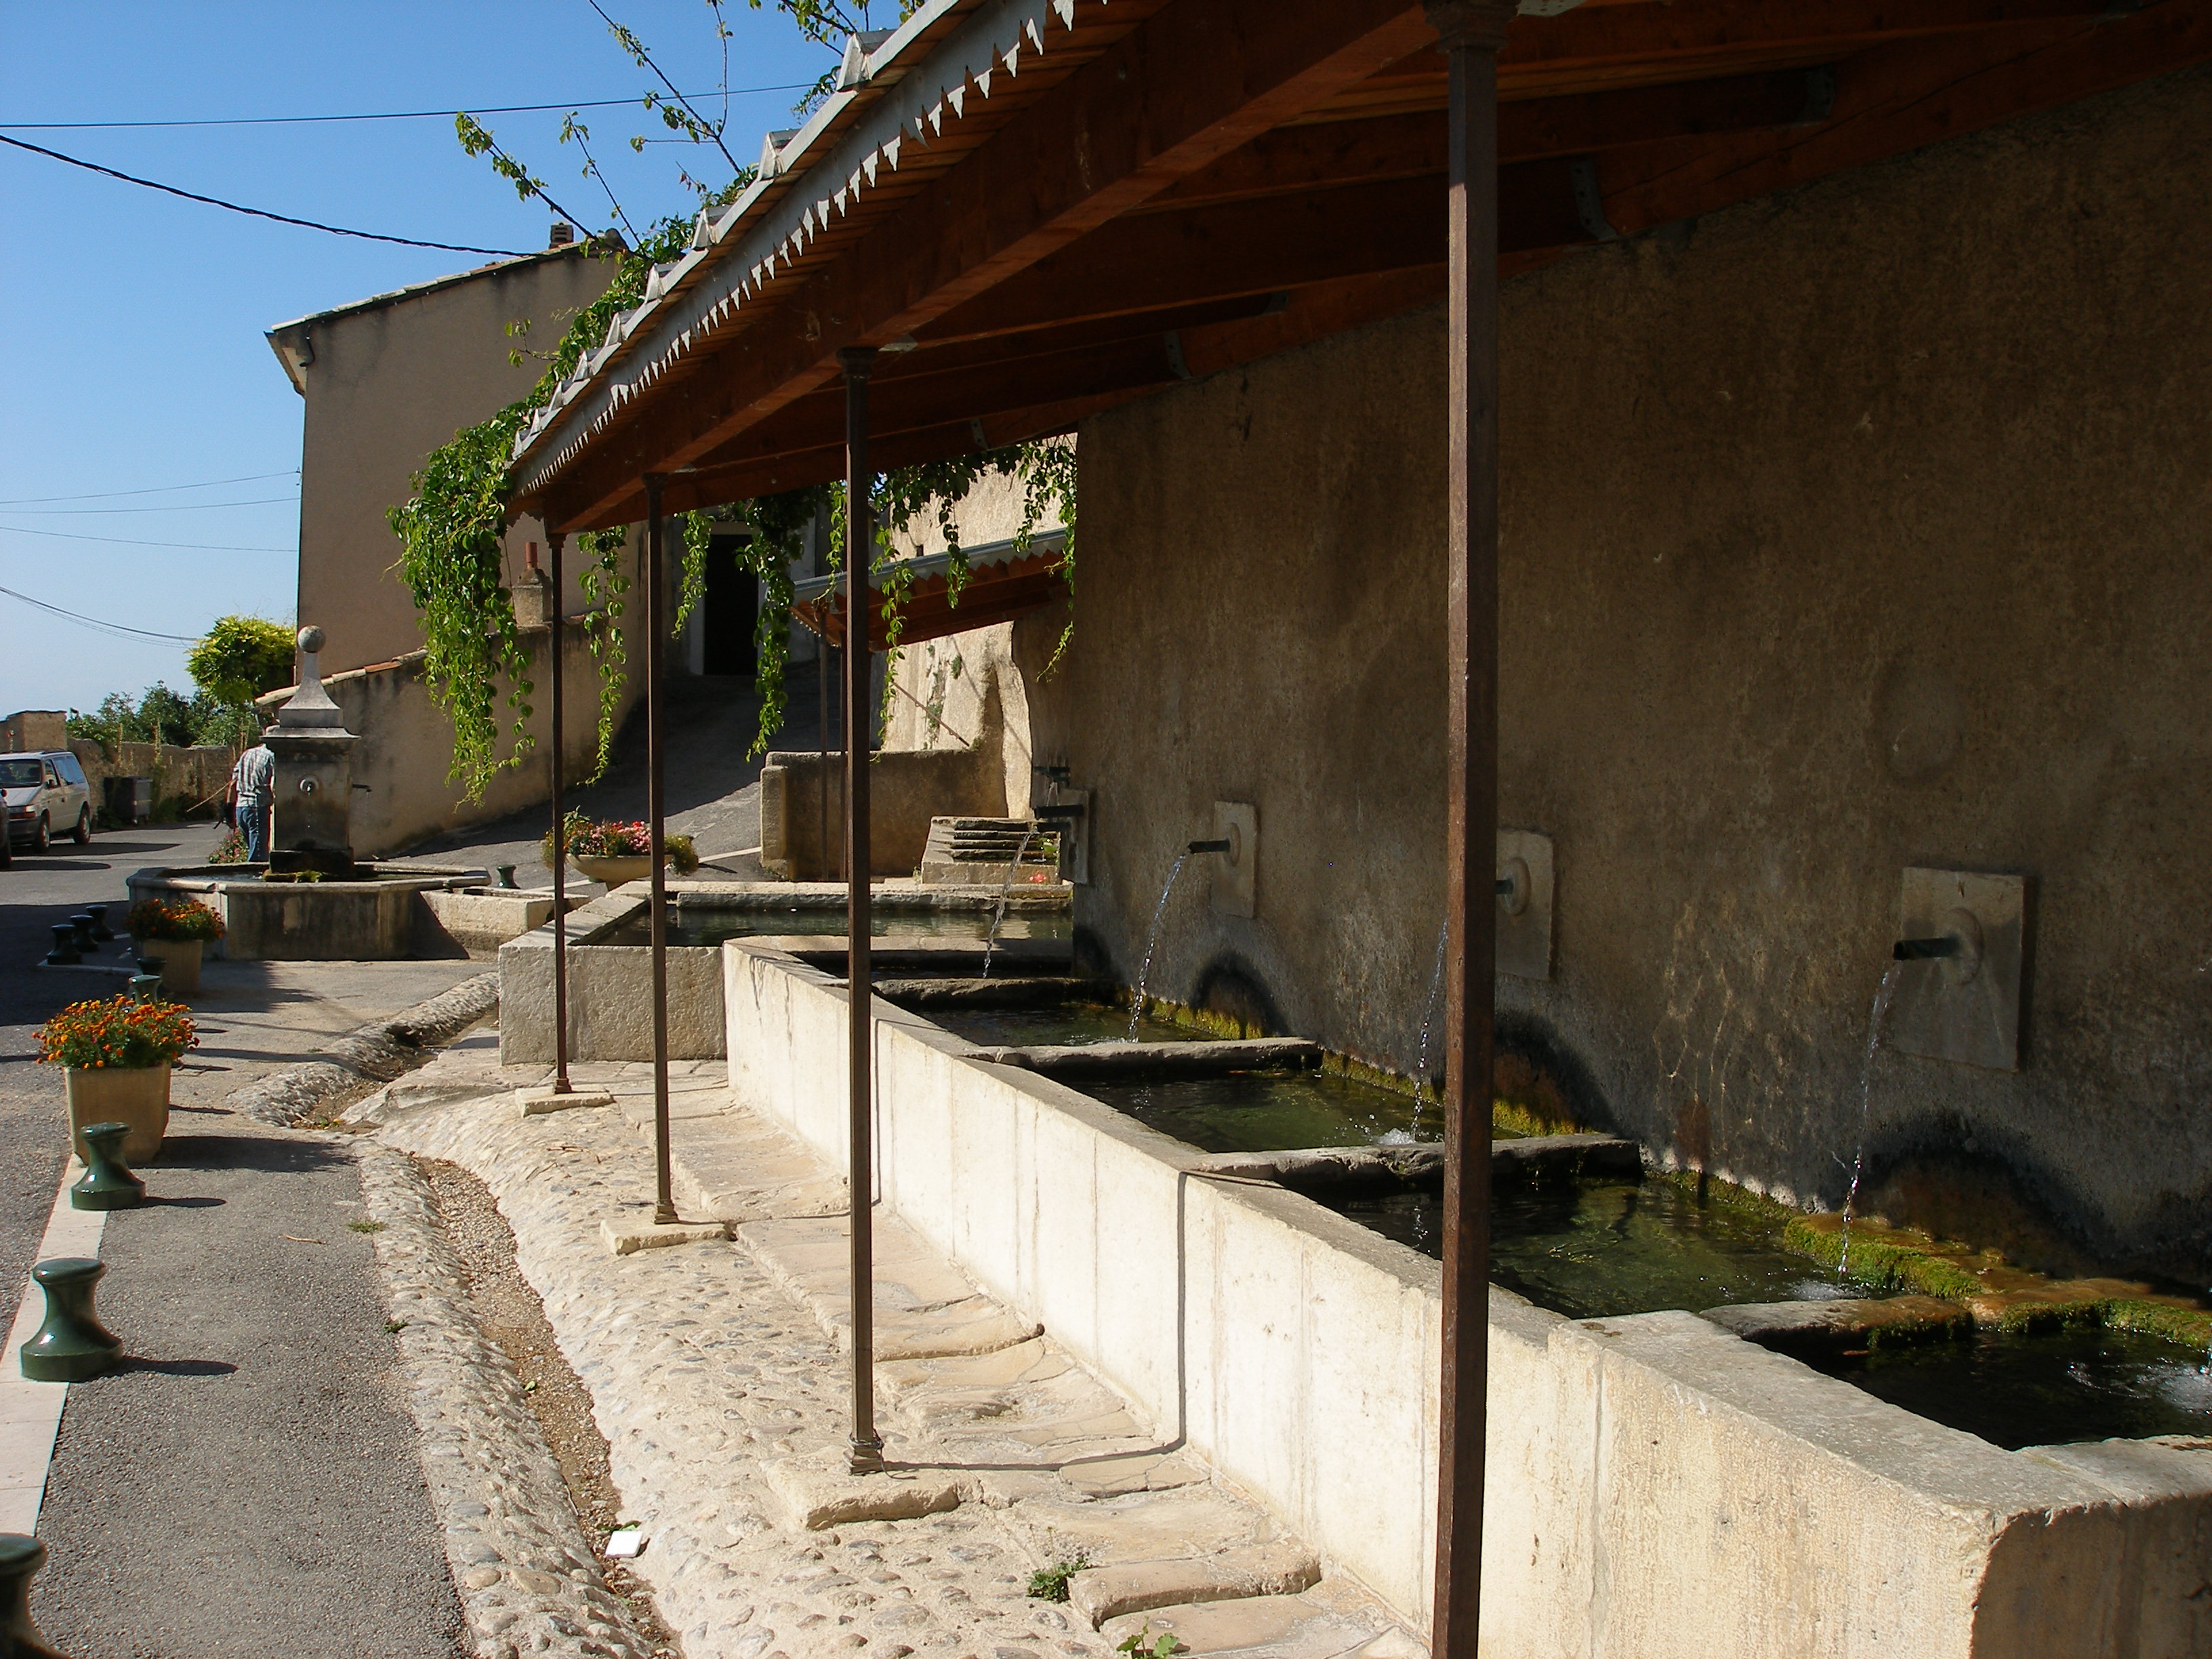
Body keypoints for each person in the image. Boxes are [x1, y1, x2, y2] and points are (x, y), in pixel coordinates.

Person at [230, 740, 274, 863]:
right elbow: (275, 785)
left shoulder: (247, 754)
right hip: (257, 807)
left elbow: (233, 783)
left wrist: (228, 809)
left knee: (253, 849)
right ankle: (255, 880)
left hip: (241, 806)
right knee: (258, 857)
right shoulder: (271, 756)